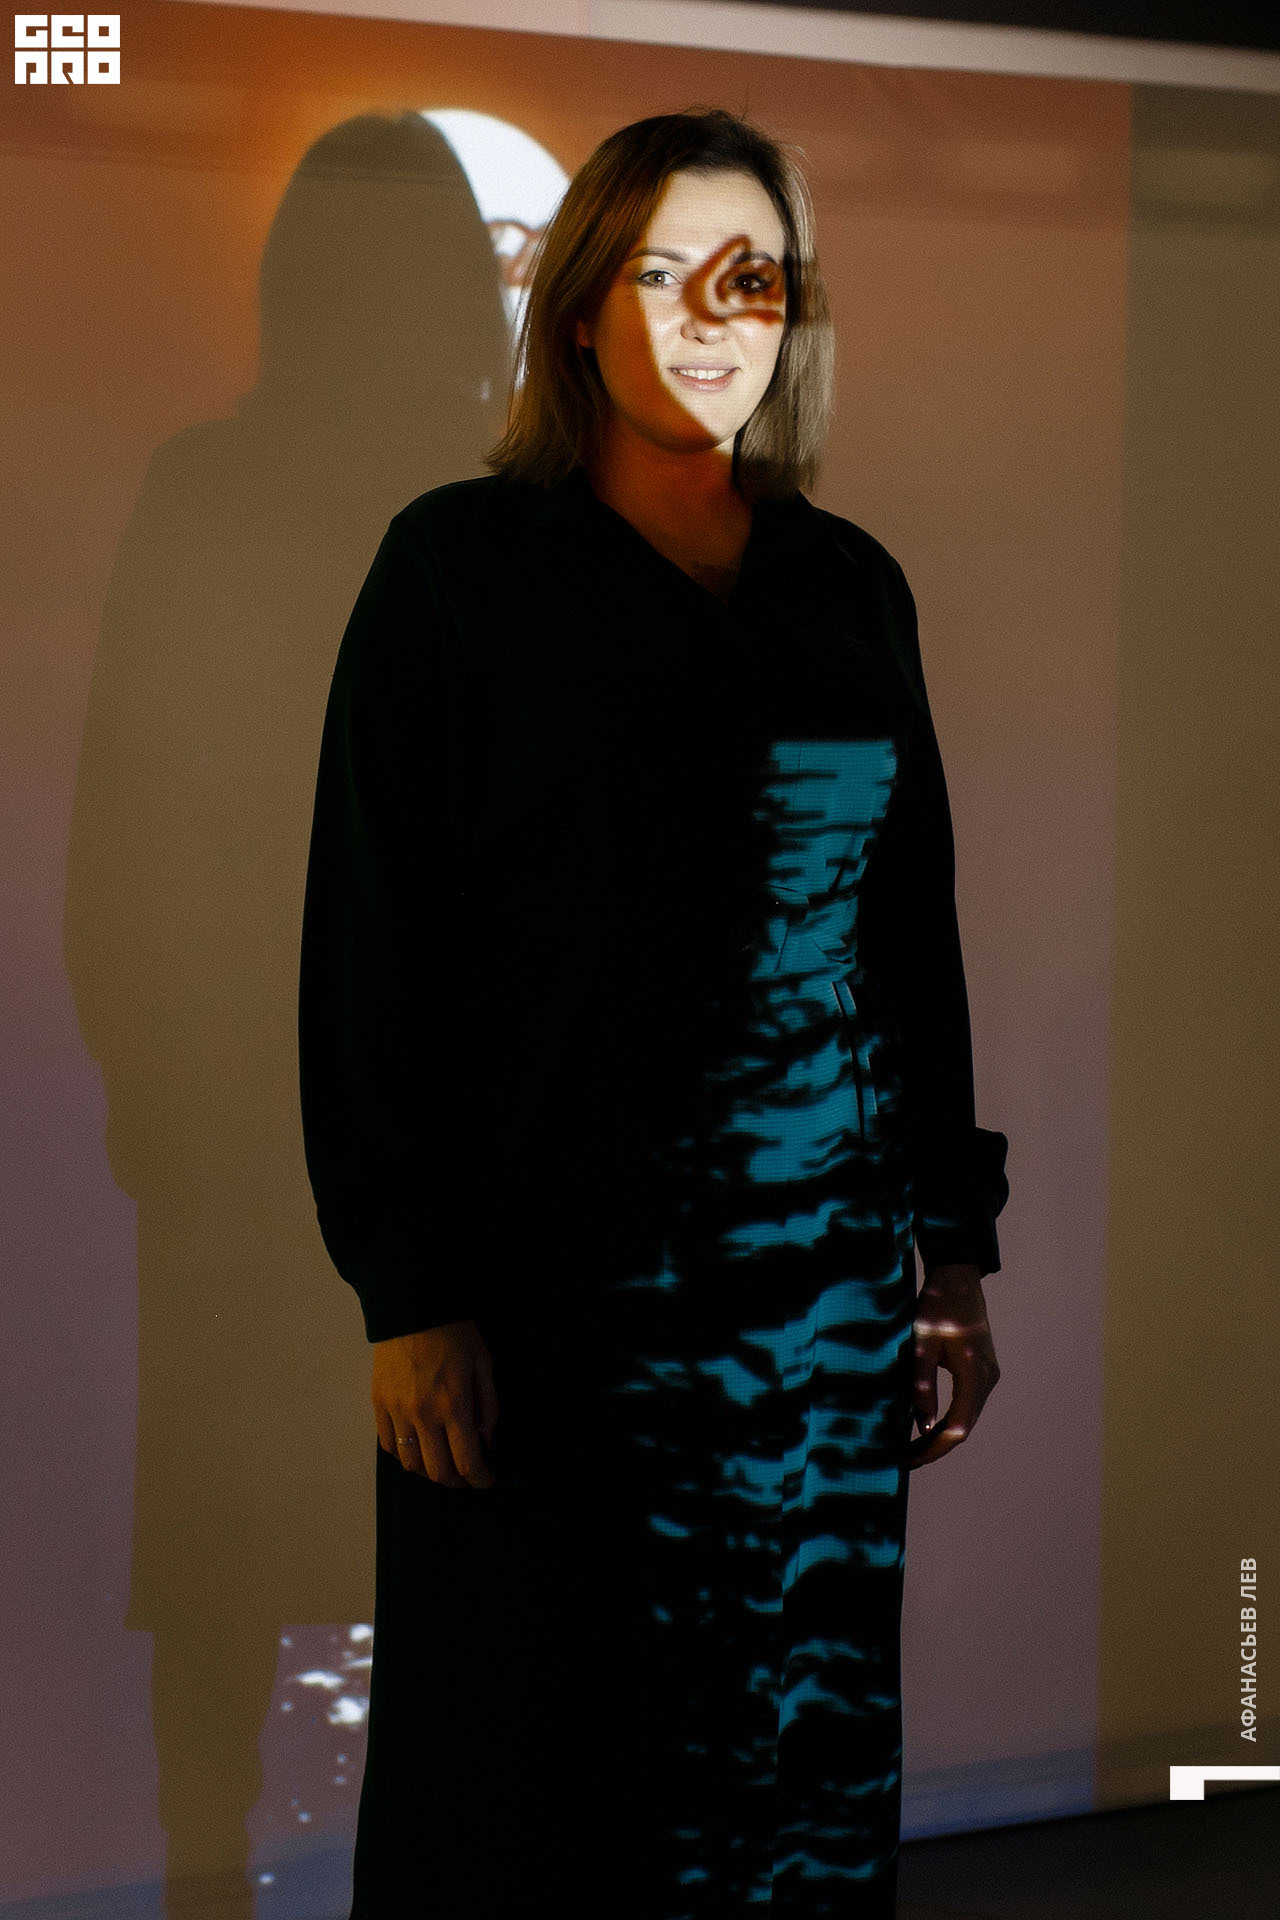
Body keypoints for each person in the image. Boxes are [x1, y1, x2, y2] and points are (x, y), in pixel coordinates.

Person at [299, 106, 1008, 1920]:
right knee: (532, 1781)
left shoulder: (848, 587)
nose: (709, 319)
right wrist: (409, 1290)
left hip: (822, 1305)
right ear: (576, 309)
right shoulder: (458, 570)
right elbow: (375, 945)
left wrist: (950, 1253)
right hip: (552, 1308)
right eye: (661, 275)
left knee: (797, 1751)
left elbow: (907, 937)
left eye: (749, 279)